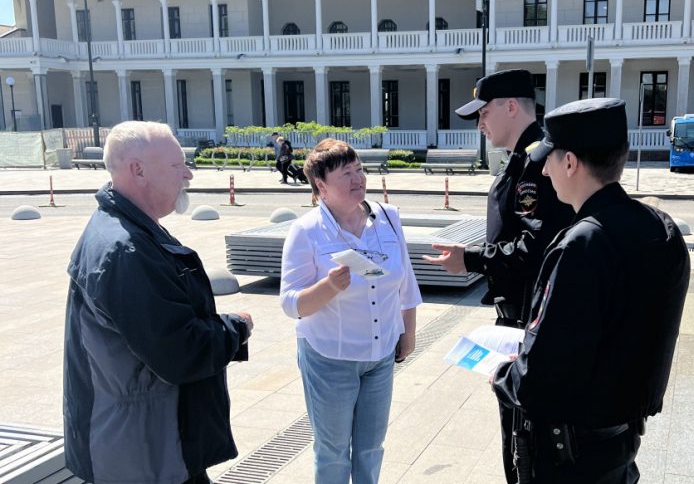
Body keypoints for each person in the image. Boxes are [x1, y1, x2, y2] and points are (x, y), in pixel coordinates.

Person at [491, 98, 691, 483]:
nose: (545, 170)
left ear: (570, 163)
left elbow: (541, 379)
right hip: (620, 443)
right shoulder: (660, 228)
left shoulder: (582, 244)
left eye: (550, 159)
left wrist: (503, 375)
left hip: (568, 457)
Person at [63, 121, 254, 484]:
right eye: (177, 164)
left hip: (147, 444)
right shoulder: (126, 249)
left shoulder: (126, 229)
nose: (189, 174)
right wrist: (237, 327)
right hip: (145, 454)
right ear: (138, 170)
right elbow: (180, 351)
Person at [423, 68, 574, 483]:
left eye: (484, 113)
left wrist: (471, 260)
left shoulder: (538, 162)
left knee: (525, 443)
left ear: (511, 107)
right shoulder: (527, 158)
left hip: (531, 317)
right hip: (520, 313)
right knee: (517, 438)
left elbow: (536, 246)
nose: (480, 124)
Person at [279, 139, 421, 484]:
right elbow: (291, 304)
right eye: (347, 174)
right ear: (321, 186)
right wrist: (328, 287)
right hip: (330, 357)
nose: (359, 179)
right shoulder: (306, 230)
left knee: (372, 448)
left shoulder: (388, 217)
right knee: (333, 451)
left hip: (381, 354)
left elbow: (406, 283)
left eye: (360, 170)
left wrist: (409, 333)